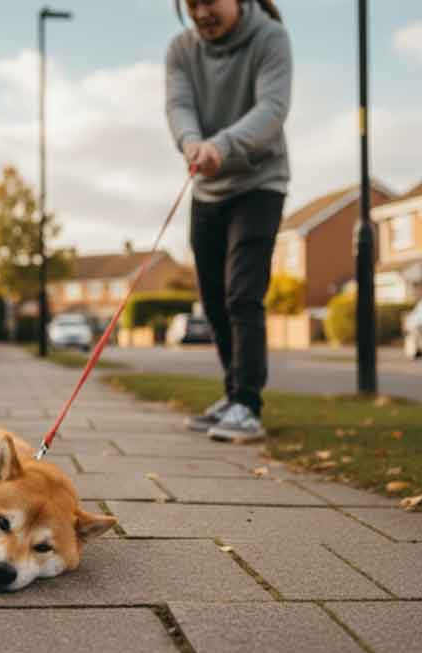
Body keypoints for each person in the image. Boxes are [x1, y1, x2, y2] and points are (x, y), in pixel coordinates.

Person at [165, 0, 291, 441]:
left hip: (260, 185)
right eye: (191, 3)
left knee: (243, 294)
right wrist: (192, 143)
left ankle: (249, 405)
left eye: (209, 1)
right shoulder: (181, 49)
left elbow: (272, 110)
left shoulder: (269, 37)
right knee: (215, 300)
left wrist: (223, 144)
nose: (201, 12)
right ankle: (233, 393)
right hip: (207, 190)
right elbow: (178, 106)